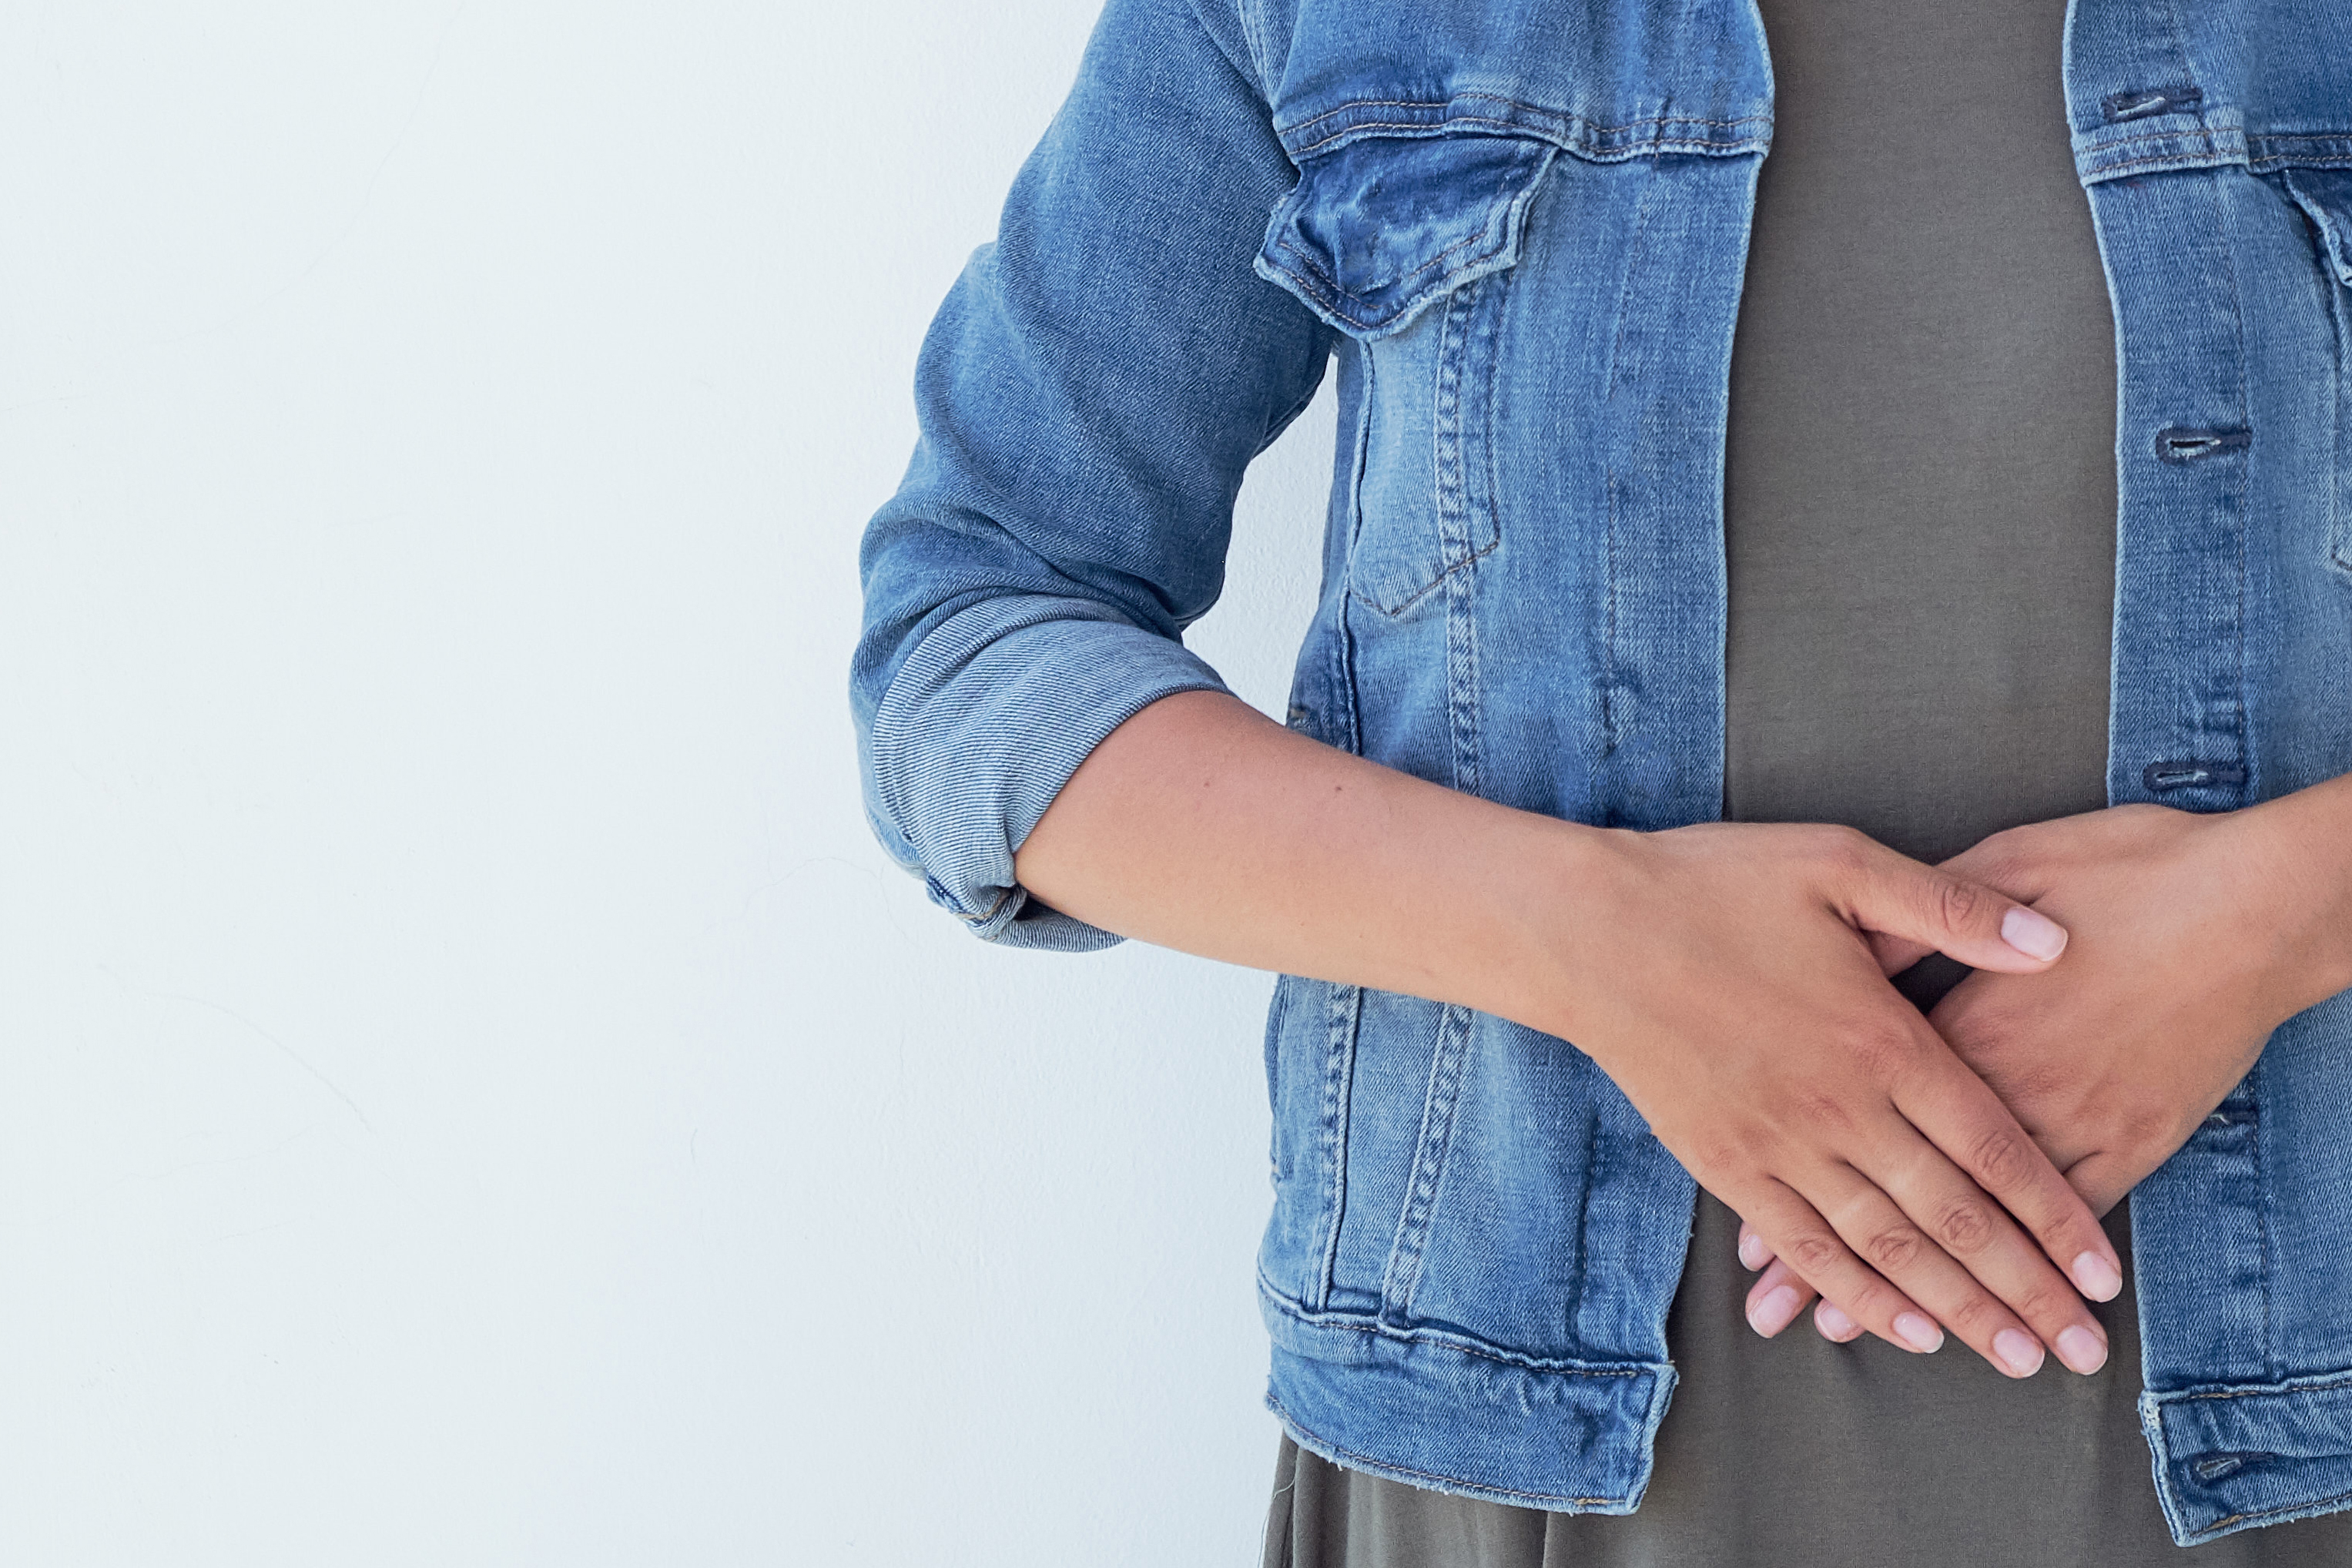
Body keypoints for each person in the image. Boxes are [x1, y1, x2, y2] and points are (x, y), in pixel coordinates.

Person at [851, 0, 2352, 1559]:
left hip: (2290, 1436)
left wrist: (2281, 917)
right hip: (1508, 1446)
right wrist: (1597, 937)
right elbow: (969, 645)